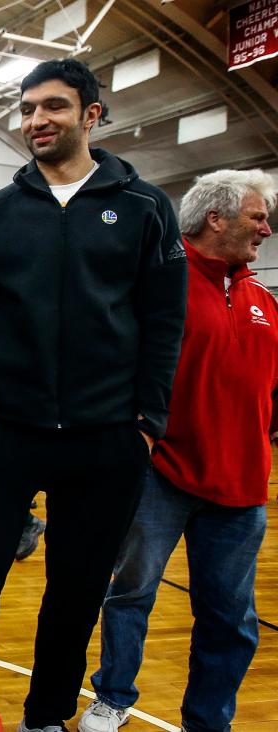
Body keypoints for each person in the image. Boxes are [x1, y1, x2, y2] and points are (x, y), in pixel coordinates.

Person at [0, 58, 187, 732]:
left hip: (108, 435)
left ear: (90, 114)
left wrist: (146, 420)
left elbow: (164, 320)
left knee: (77, 593)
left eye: (51, 107)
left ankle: (46, 717)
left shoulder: (145, 207)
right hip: (5, 431)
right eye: (27, 110)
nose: (35, 121)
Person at [79, 169, 277, 732]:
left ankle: (209, 721)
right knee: (132, 593)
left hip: (242, 486)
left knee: (232, 619)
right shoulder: (159, 280)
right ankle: (113, 696)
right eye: (257, 216)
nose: (266, 228)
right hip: (160, 473)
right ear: (216, 217)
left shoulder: (263, 296)